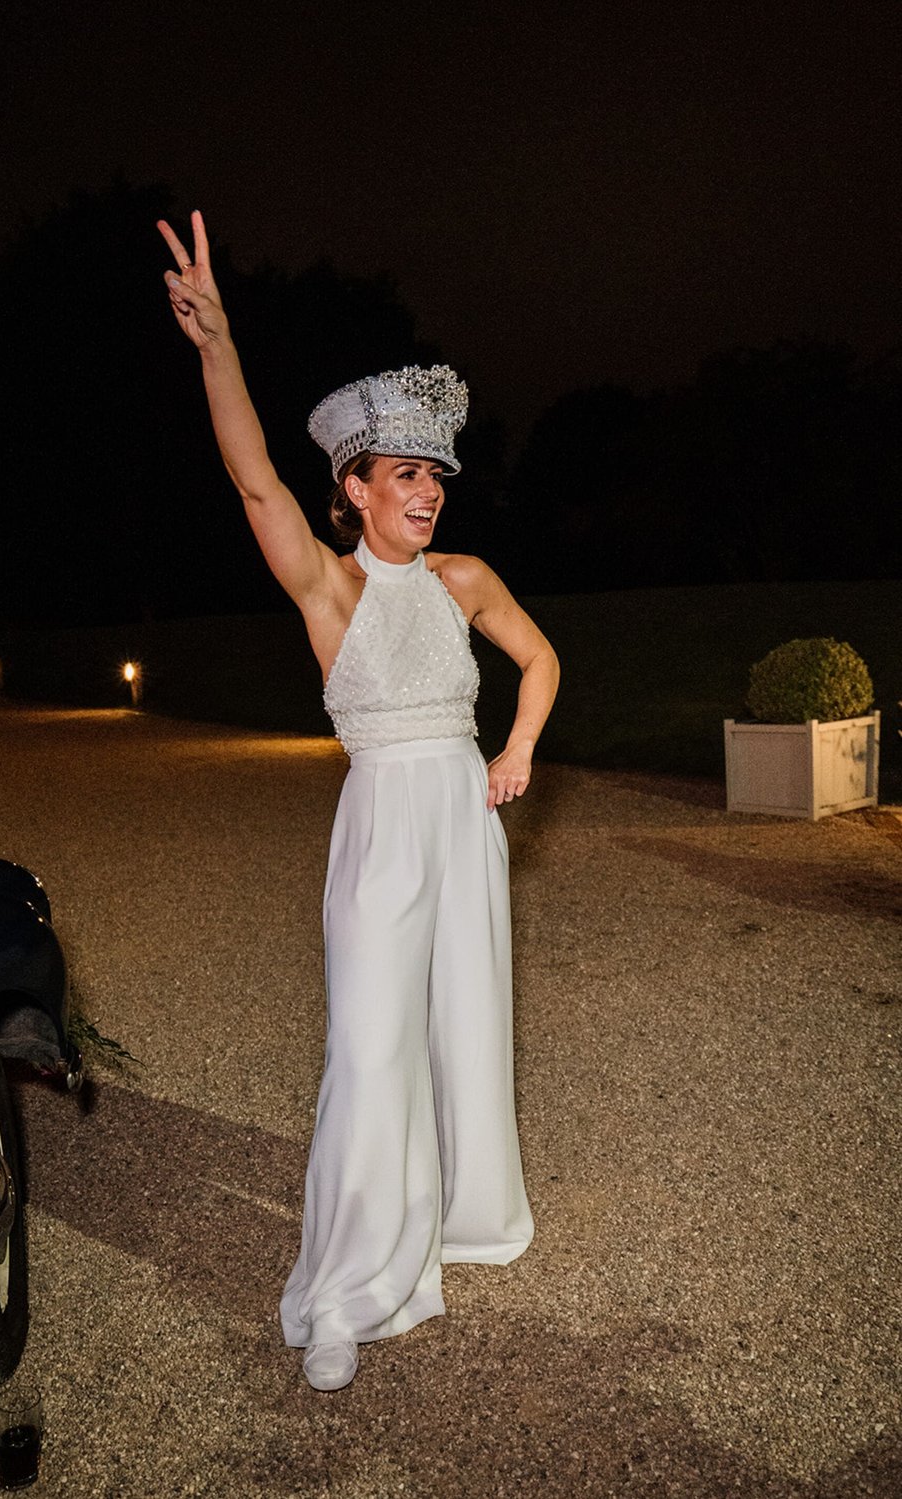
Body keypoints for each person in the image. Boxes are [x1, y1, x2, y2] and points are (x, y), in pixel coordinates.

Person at [159, 211, 560, 1392]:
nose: (427, 491)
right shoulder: (329, 589)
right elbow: (247, 474)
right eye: (405, 473)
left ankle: (464, 1212)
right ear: (354, 485)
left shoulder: (464, 577)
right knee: (370, 1045)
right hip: (383, 829)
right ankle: (342, 1288)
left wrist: (518, 751)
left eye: (436, 473)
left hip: (466, 826)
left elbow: (540, 660)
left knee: (462, 1025)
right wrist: (217, 343)